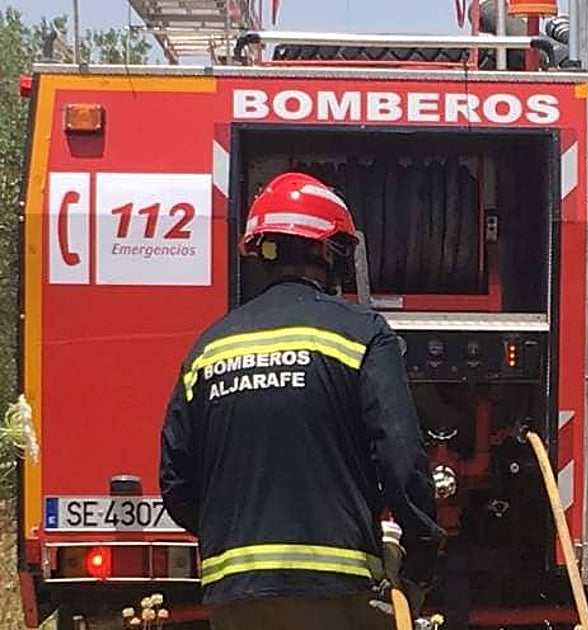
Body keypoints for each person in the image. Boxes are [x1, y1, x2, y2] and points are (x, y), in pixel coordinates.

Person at [159, 171, 443, 629]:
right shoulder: (363, 335)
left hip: (235, 599)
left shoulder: (208, 349)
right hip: (338, 592)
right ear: (330, 252)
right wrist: (421, 550)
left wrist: (235, 541)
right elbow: (401, 454)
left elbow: (176, 482)